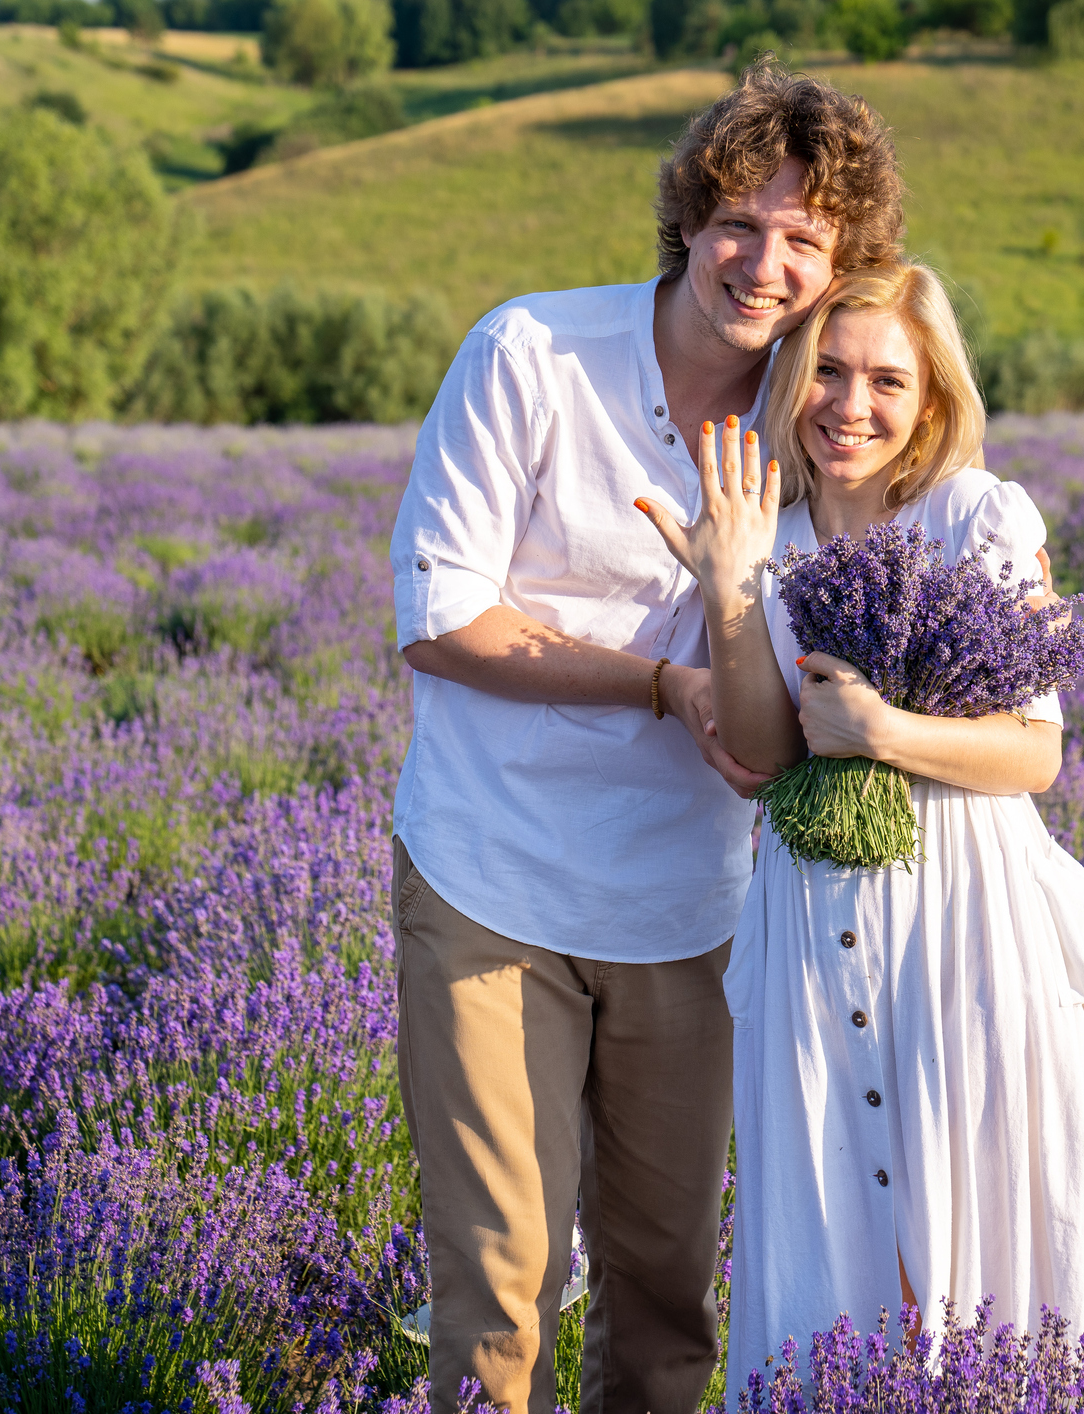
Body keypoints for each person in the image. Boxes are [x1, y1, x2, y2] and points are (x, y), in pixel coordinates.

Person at [387, 64, 903, 1414]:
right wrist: (656, 684)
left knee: (668, 1287)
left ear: (841, 262)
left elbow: (810, 687)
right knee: (499, 1276)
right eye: (742, 221)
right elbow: (438, 615)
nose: (765, 261)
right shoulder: (534, 355)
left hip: (691, 902)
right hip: (490, 876)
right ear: (689, 217)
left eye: (806, 240)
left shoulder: (817, 427)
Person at [635, 261, 1084, 1405]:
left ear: (931, 399)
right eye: (827, 369)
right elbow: (766, 760)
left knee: (991, 1237)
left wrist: (885, 730)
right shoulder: (767, 532)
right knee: (838, 1238)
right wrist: (732, 589)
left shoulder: (977, 514)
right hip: (810, 938)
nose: (850, 402)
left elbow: (1037, 752)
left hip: (966, 932)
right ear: (791, 377)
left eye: (887, 377)